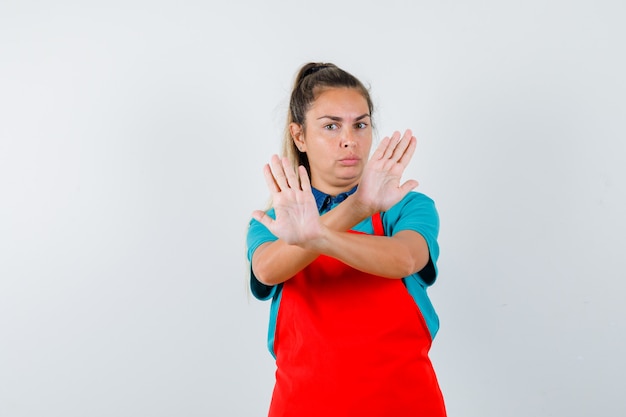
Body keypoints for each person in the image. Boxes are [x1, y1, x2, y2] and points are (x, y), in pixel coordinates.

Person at [246, 62, 446, 417]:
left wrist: (317, 235)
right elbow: (266, 270)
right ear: (299, 136)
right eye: (331, 125)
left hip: (405, 406)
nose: (349, 139)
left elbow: (403, 259)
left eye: (361, 124)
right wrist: (357, 208)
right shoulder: (277, 221)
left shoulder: (408, 207)